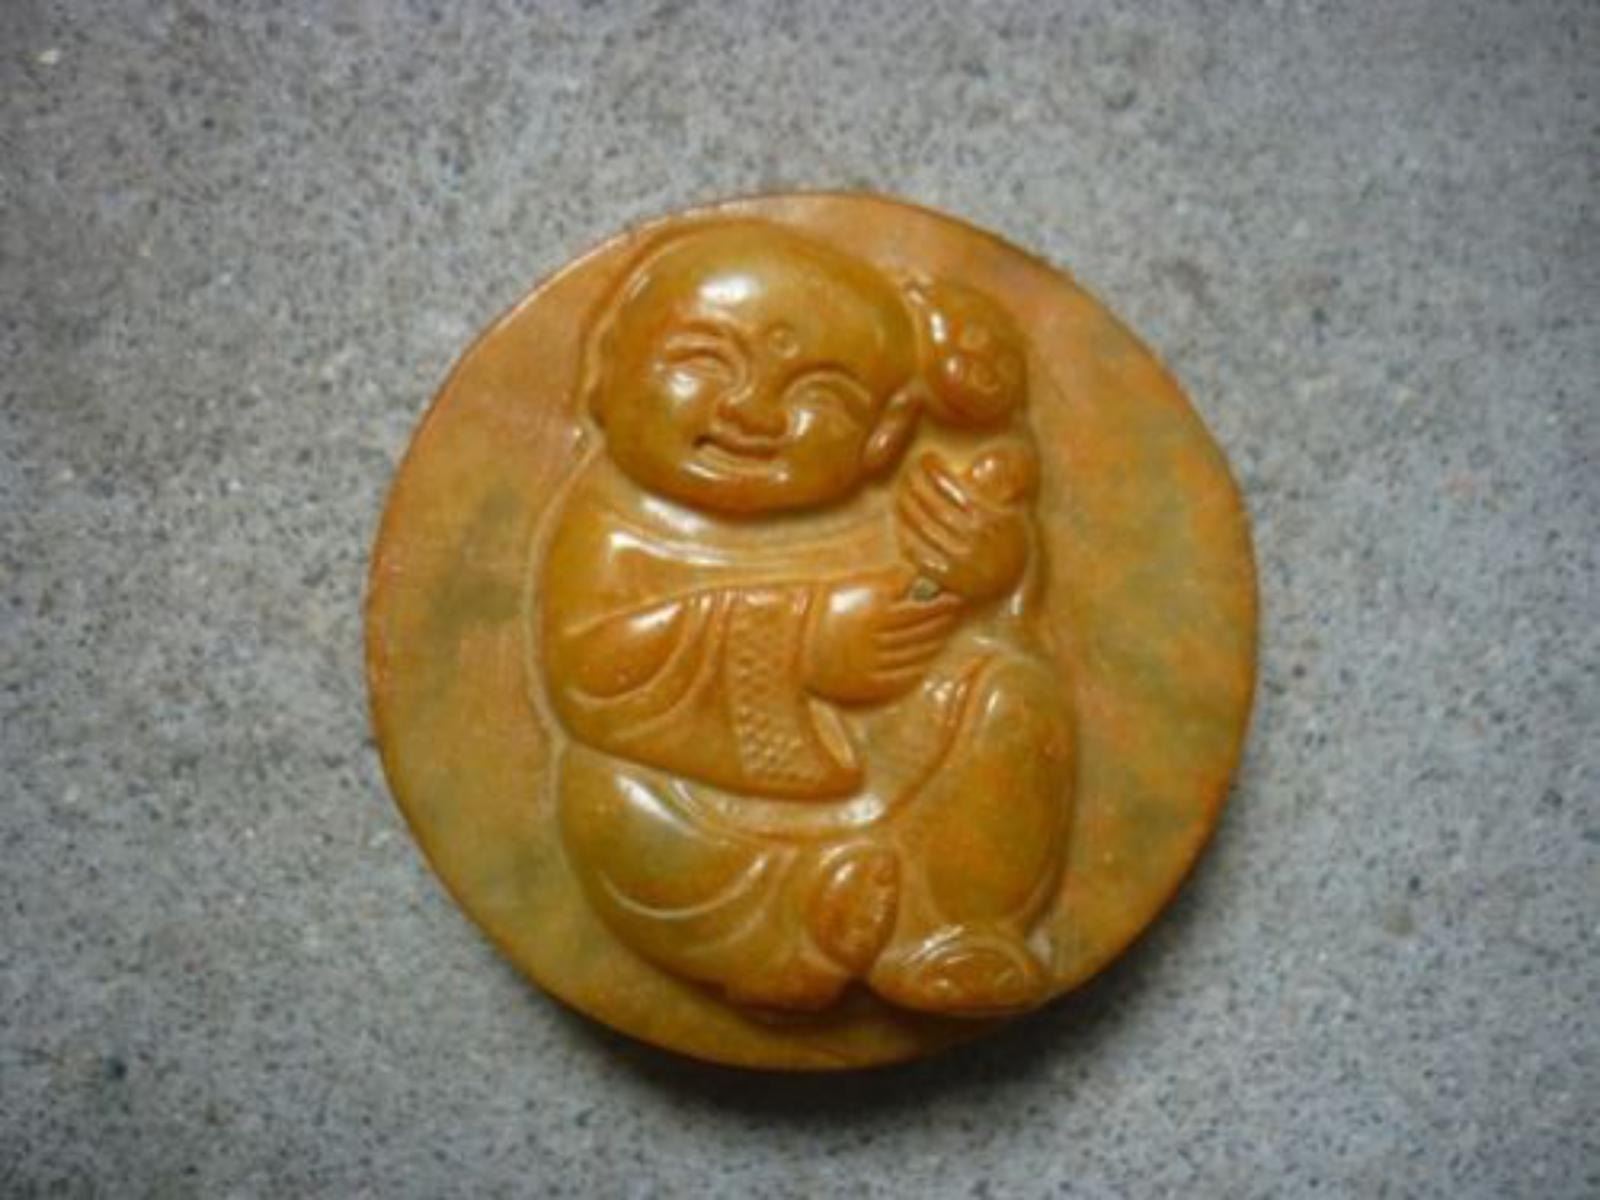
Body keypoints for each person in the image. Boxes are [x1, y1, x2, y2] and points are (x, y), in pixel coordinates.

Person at [538, 220, 1074, 1015]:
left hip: (892, 772)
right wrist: (802, 642)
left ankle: (954, 929)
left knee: (1011, 695)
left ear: (883, 437)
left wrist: (985, 573)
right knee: (614, 810)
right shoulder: (613, 527)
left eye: (819, 395)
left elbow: (963, 616)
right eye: (705, 361)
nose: (752, 413)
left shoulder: (901, 500)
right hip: (700, 818)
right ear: (606, 372)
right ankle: (801, 933)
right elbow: (590, 679)